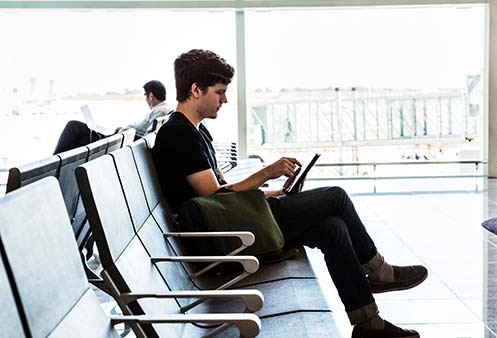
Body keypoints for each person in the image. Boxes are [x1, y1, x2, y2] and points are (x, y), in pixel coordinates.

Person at [152, 49, 427, 338]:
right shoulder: (178, 134)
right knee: (336, 196)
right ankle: (379, 271)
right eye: (220, 92)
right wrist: (266, 172)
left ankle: (369, 324)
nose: (225, 100)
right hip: (223, 240)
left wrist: (277, 192)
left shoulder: (196, 132)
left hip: (231, 226)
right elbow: (213, 197)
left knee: (332, 228)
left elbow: (223, 196)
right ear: (196, 90)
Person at [52, 80, 171, 154]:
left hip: (118, 142)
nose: (146, 99)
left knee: (73, 126)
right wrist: (124, 130)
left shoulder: (160, 111)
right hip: (120, 139)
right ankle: (57, 168)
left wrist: (125, 133)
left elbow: (145, 139)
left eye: (145, 95)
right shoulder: (165, 108)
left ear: (151, 96)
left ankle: (53, 165)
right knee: (80, 140)